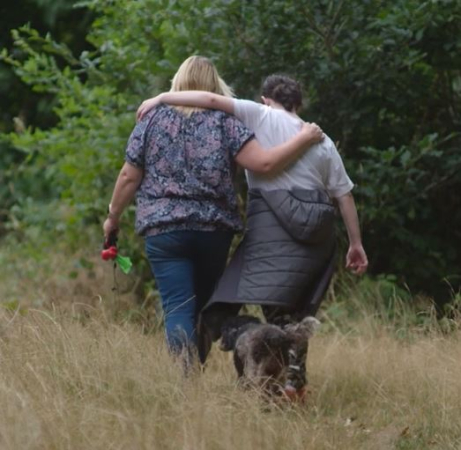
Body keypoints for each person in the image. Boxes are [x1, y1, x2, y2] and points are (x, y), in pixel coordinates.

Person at [137, 74, 368, 393]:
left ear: (264, 99)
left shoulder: (260, 115)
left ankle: (189, 382)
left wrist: (163, 97)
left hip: (272, 231)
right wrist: (356, 244)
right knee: (294, 319)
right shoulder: (323, 141)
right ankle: (293, 388)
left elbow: (212, 100)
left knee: (219, 305)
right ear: (298, 104)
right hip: (318, 237)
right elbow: (344, 196)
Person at [103, 57, 323, 371]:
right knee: (203, 308)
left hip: (165, 231)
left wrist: (113, 217)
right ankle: (194, 375)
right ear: (215, 85)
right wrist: (303, 140)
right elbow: (263, 164)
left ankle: (186, 380)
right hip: (213, 231)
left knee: (178, 306)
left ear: (177, 83)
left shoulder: (151, 120)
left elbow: (128, 176)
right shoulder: (227, 122)